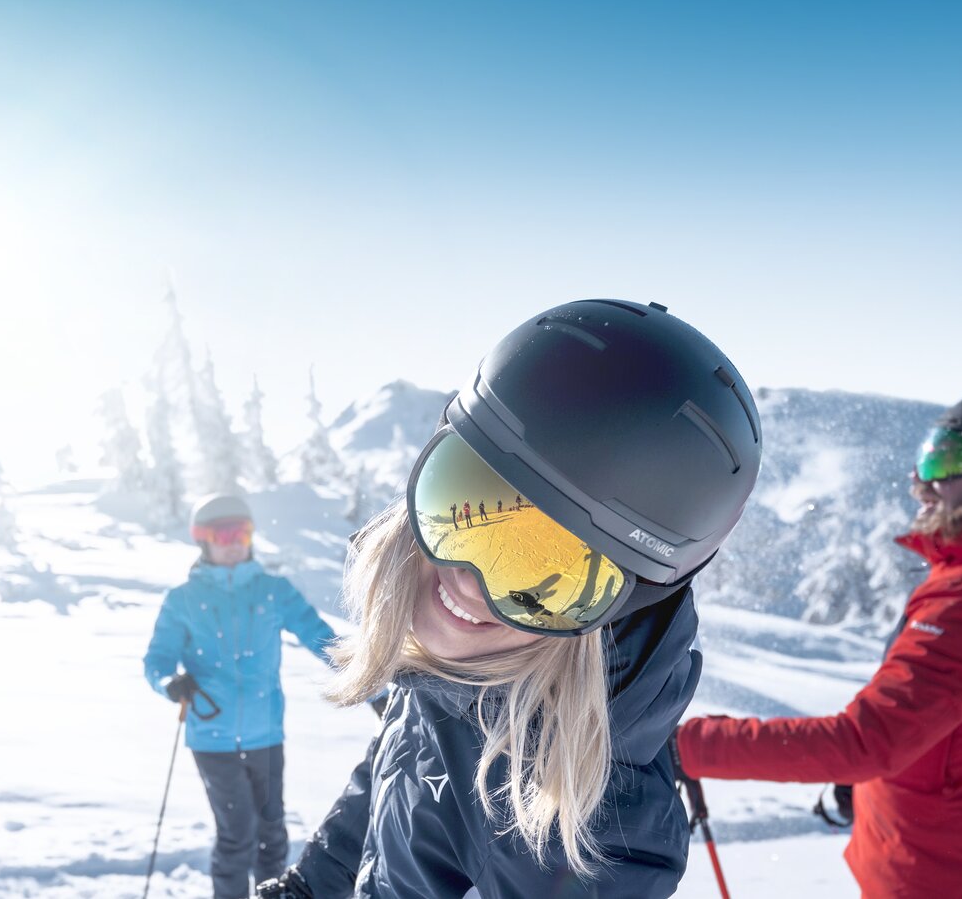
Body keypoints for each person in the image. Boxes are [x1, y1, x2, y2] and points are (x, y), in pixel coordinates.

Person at [255, 299, 763, 898]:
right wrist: (309, 888)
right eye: (464, 506)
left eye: (545, 574)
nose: (467, 581)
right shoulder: (459, 674)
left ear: (614, 616)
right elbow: (391, 781)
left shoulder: (584, 832)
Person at [675, 387, 962, 899]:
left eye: (945, 457)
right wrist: (869, 786)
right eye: (927, 453)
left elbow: (863, 743)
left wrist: (688, 746)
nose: (920, 482)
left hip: (944, 877)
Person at [146, 493, 342, 899]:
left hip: (265, 735)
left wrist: (370, 686)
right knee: (237, 836)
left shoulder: (272, 590)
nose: (234, 541)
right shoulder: (182, 600)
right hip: (211, 738)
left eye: (242, 531)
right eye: (223, 533)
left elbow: (320, 636)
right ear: (204, 540)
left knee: (272, 835)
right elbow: (158, 659)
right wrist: (169, 682)